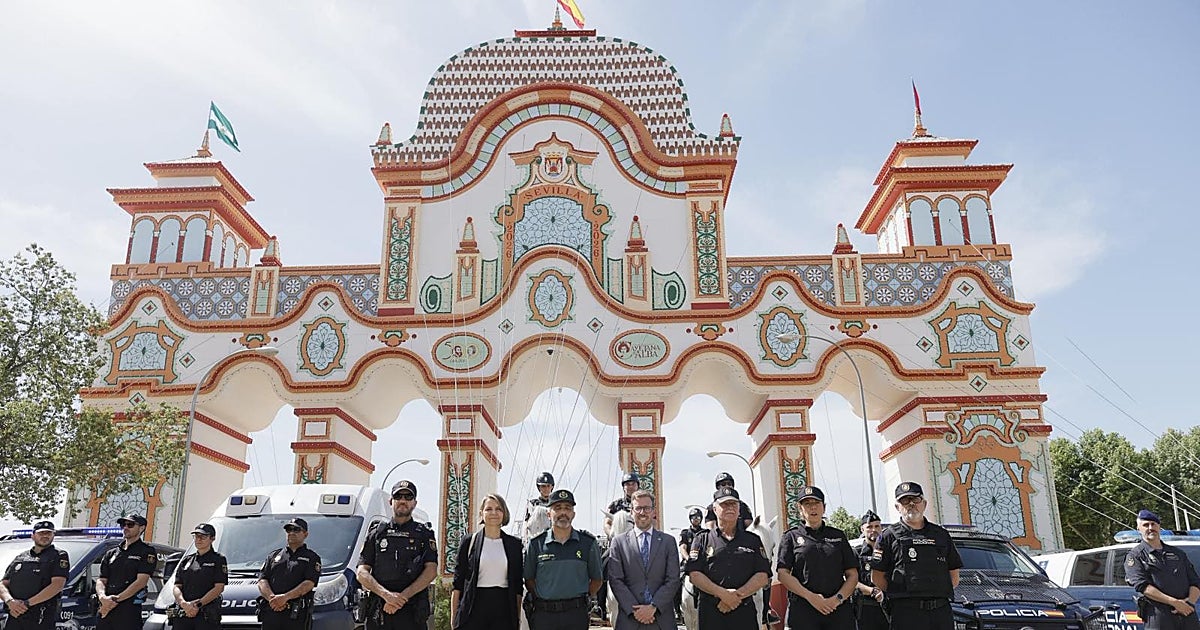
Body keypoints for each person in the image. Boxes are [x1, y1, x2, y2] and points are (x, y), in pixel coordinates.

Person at [871, 482, 961, 630]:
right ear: (897, 507)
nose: (911, 504)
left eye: (915, 499)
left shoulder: (941, 535)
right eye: (905, 501)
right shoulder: (888, 536)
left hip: (940, 612)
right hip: (906, 613)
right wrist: (900, 592)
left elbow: (954, 576)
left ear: (924, 504)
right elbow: (877, 577)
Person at [685, 487, 771, 630]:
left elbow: (762, 575)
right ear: (715, 508)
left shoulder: (753, 540)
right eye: (724, 504)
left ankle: (768, 613)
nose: (729, 508)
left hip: (744, 611)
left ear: (739, 509)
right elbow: (694, 575)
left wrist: (735, 596)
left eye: (733, 504)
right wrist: (723, 594)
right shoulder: (702, 539)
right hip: (711, 614)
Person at [357, 480, 439, 630]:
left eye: (408, 497)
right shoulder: (376, 533)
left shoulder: (424, 534)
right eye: (398, 496)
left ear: (414, 503)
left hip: (412, 610)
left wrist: (401, 598)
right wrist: (387, 596)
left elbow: (431, 571)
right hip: (380, 609)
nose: (403, 501)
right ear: (391, 501)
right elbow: (362, 572)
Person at [776, 486, 857, 630]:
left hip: (837, 610)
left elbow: (852, 574)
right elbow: (783, 574)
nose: (812, 508)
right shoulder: (791, 537)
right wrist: (811, 597)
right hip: (803, 610)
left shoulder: (838, 536)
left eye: (816, 503)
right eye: (807, 504)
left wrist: (837, 599)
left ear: (824, 507)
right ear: (800, 509)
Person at [524, 489, 603, 630]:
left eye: (567, 508)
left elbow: (597, 580)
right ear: (549, 514)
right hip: (544, 615)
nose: (563, 513)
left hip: (576, 614)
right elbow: (529, 580)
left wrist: (580, 597)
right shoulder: (536, 544)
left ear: (573, 514)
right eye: (557, 508)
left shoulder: (587, 543)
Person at [606, 490, 680, 630]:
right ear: (631, 512)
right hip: (629, 620)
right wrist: (636, 610)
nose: (642, 512)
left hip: (662, 620)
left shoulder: (668, 542)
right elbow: (616, 580)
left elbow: (673, 579)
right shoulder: (619, 542)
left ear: (653, 511)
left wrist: (653, 607)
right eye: (638, 508)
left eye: (647, 508)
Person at [451, 494, 524, 630]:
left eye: (498, 509)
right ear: (481, 513)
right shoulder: (469, 542)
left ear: (504, 513)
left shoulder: (514, 544)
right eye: (488, 509)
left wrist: (517, 618)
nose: (493, 513)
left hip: (503, 609)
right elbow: (458, 583)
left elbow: (517, 585)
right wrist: (454, 619)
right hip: (473, 608)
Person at [1125, 509, 1200, 630]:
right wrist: (1175, 603)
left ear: (1159, 527)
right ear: (1139, 528)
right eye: (1146, 525)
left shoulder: (1178, 553)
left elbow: (1195, 581)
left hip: (1187, 613)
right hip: (1158, 615)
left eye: (1153, 524)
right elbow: (1142, 586)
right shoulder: (1135, 556)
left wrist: (1189, 603)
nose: (1150, 528)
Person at [0, 520, 69, 630]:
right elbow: (3, 584)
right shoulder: (21, 557)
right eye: (41, 533)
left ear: (53, 535)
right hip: (14, 614)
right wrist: (10, 602)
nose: (45, 536)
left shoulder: (59, 556)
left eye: (49, 533)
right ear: (33, 536)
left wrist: (26, 604)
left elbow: (57, 585)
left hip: (40, 616)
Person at [257, 517, 321, 630]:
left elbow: (309, 583)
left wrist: (285, 598)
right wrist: (273, 599)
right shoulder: (273, 556)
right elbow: (262, 580)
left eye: (296, 530)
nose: (291, 533)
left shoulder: (311, 557)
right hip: (272, 612)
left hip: (295, 615)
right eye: (289, 529)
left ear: (305, 534)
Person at [96, 513, 157, 630]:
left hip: (128, 609)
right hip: (106, 607)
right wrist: (102, 597)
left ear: (141, 528)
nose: (125, 527)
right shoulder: (111, 553)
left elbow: (141, 582)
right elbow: (102, 579)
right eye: (123, 524)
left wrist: (114, 600)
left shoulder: (146, 551)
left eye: (130, 524)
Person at [170, 523, 228, 629]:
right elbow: (177, 586)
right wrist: (183, 603)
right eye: (196, 536)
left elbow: (219, 587)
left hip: (205, 615)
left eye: (203, 536)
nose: (198, 539)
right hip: (184, 613)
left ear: (212, 538)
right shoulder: (187, 560)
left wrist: (197, 605)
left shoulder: (218, 560)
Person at [852, 511, 887, 630]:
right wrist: (872, 591)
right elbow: (851, 580)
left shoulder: (889, 550)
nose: (874, 530)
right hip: (865, 608)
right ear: (862, 529)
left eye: (877, 526)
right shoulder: (855, 552)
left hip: (888, 605)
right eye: (869, 527)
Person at [676, 508, 705, 622]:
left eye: (698, 517)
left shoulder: (705, 533)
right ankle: (678, 610)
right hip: (687, 564)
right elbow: (682, 548)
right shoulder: (685, 533)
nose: (696, 519)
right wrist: (688, 558)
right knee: (676, 583)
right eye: (693, 517)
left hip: (702, 565)